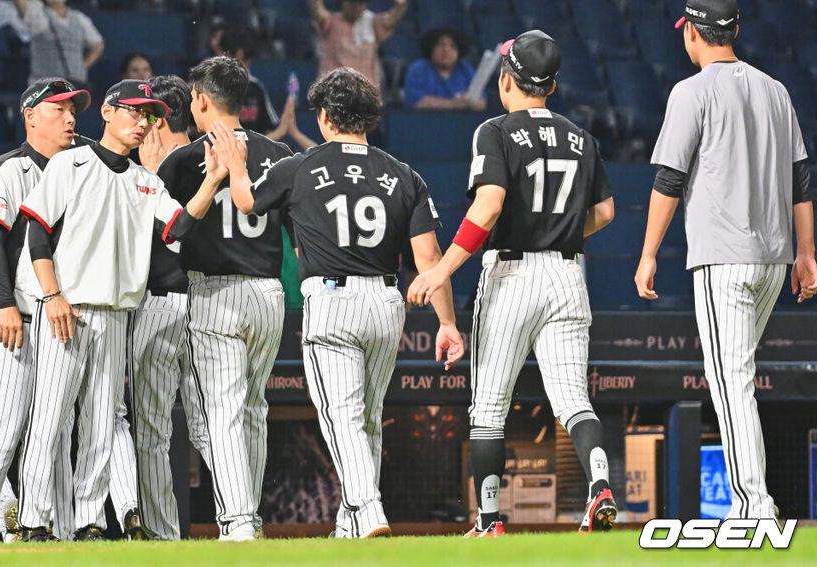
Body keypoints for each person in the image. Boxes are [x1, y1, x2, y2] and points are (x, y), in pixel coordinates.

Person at [213, 66, 466, 538]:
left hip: (332, 302)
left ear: (325, 117)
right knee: (368, 417)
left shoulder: (300, 166)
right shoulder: (404, 174)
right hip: (388, 303)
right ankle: (351, 527)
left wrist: (237, 162)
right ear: (367, 119)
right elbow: (428, 259)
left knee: (342, 416)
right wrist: (447, 323)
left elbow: (246, 202)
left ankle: (368, 510)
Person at [407, 30, 618, 536]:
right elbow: (606, 212)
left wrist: (440, 270)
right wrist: (562, 231)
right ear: (553, 85)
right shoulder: (580, 136)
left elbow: (489, 204)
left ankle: (488, 520)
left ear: (506, 81)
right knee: (573, 400)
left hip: (513, 273)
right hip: (568, 274)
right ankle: (600, 486)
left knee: (489, 408)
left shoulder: (494, 131)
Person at [15, 79, 221, 542]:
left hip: (116, 314)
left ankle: (89, 519)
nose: (141, 122)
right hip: (66, 309)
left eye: (148, 115)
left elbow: (178, 228)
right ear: (107, 112)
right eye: (132, 111)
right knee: (48, 419)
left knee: (102, 424)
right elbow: (37, 234)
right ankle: (33, 519)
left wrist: (211, 180)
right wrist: (51, 296)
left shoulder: (146, 181)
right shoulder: (71, 162)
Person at [635, 0, 817, 520]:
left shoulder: (691, 91)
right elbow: (802, 181)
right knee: (738, 375)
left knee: (729, 381)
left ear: (692, 32)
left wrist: (648, 253)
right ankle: (755, 500)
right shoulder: (775, 89)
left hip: (724, 261)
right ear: (733, 30)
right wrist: (806, 253)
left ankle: (753, 506)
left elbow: (669, 179)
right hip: (773, 259)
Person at [155, 56, 293, 541]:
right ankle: (248, 516)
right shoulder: (277, 155)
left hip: (215, 295)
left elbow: (165, 235)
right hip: (269, 294)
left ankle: (237, 522)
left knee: (225, 412)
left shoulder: (185, 159)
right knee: (254, 409)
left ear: (200, 99)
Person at [0, 77, 90, 543]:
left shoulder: (78, 166)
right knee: (7, 422)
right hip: (9, 314)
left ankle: (53, 525)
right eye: (58, 109)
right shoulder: (10, 168)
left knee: (54, 423)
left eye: (73, 109)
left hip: (54, 313)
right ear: (31, 115)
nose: (70, 117)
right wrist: (4, 304)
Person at [119, 73, 208, 540]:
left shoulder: (152, 173)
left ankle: (163, 534)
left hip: (157, 304)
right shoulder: (211, 157)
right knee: (215, 424)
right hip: (211, 302)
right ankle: (241, 521)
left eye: (143, 114)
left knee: (151, 432)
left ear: (156, 120)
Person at [309, 0, 408, 89]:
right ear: (342, 3)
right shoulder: (330, 22)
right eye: (352, 2)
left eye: (360, 3)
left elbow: (394, 15)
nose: (356, 7)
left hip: (365, 94)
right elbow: (317, 8)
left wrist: (400, 4)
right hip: (334, 91)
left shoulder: (372, 23)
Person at [12, 0, 104, 86]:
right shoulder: (37, 13)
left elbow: (97, 44)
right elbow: (21, 4)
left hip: (74, 85)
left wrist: (83, 67)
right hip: (43, 87)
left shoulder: (80, 18)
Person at [405, 27, 486, 111]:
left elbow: (482, 103)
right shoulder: (418, 69)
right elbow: (417, 102)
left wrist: (471, 101)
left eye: (453, 46)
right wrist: (454, 104)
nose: (446, 50)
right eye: (441, 45)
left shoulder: (466, 69)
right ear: (431, 48)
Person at [218, 26, 279, 137]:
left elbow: (267, 129)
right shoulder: (209, 85)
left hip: (252, 152)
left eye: (246, 61)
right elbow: (193, 127)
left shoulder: (256, 87)